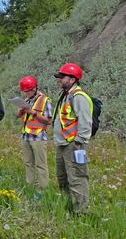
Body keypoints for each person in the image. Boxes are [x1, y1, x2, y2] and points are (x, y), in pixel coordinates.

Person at [53, 63, 93, 214]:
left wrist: (79, 141)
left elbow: (85, 120)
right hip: (63, 144)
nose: (60, 80)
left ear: (72, 79)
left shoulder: (79, 97)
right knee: (63, 178)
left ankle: (81, 213)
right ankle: (69, 207)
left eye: (62, 77)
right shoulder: (67, 95)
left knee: (77, 178)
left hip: (74, 145)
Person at [17, 76, 52, 194]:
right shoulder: (26, 100)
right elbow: (19, 117)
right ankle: (29, 185)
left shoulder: (45, 100)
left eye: (29, 91)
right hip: (26, 136)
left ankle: (43, 189)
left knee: (41, 164)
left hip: (38, 137)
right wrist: (20, 112)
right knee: (28, 163)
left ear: (35, 88)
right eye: (25, 91)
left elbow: (49, 121)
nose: (27, 93)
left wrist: (33, 113)